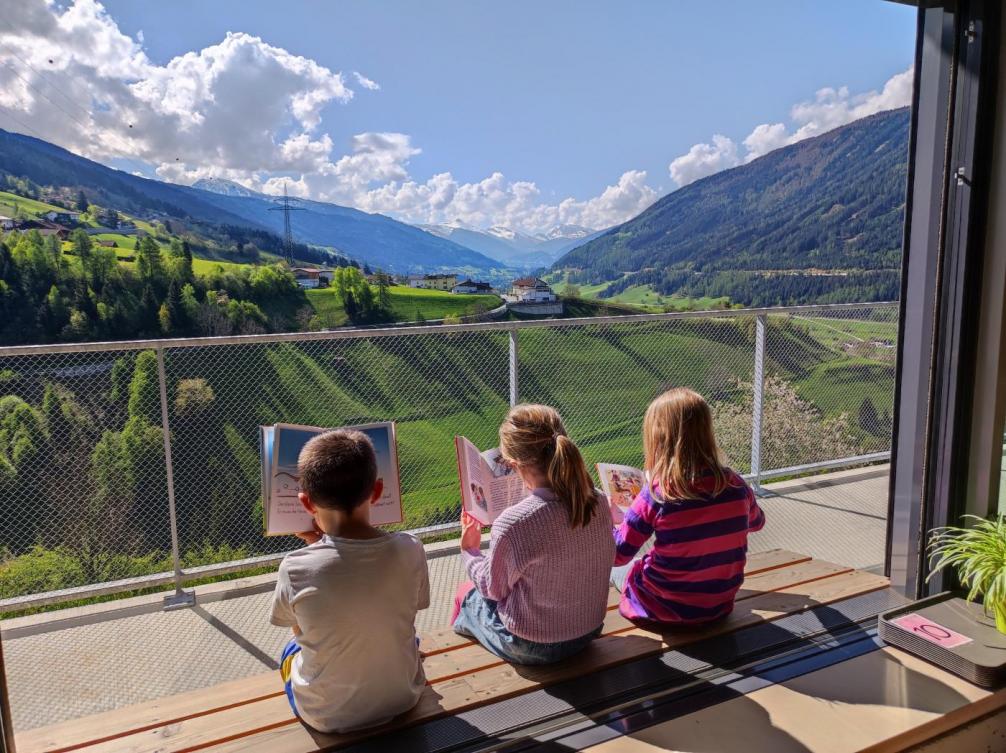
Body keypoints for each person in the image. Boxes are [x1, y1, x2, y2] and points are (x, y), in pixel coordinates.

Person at [271, 430, 429, 733]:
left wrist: (316, 548)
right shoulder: (411, 548)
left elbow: (301, 630)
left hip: (326, 716)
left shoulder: (294, 568)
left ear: (306, 503)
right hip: (403, 697)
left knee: (290, 650)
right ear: (377, 490)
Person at [451, 404, 615, 664]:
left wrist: (469, 550)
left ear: (516, 465)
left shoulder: (514, 524)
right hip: (588, 631)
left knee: (466, 594)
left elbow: (492, 589)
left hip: (532, 645)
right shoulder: (598, 501)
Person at [610, 387, 765, 629]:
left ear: (658, 439)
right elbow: (757, 523)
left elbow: (618, 555)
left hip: (660, 610)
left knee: (619, 571)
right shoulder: (735, 484)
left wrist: (615, 521)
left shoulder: (658, 493)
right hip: (717, 608)